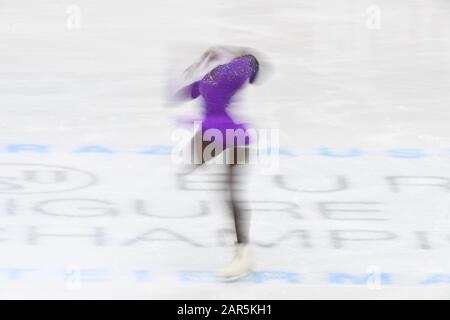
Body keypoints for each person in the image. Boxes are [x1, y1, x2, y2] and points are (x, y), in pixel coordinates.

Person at [172, 46, 267, 280]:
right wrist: (202, 63)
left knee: (228, 190)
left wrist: (209, 59)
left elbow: (251, 63)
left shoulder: (230, 71)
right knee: (195, 164)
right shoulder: (220, 73)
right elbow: (190, 91)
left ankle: (243, 253)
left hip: (227, 134)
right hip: (217, 132)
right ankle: (242, 251)